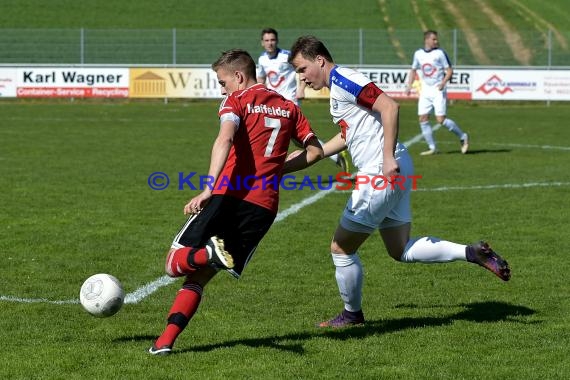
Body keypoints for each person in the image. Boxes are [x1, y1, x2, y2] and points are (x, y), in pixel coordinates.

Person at [288, 36, 510, 328]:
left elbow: (389, 107)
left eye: (303, 69)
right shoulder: (338, 89)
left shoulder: (342, 78)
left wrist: (387, 157)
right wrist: (307, 157)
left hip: (381, 171)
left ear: (319, 60)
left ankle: (352, 314)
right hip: (396, 166)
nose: (301, 77)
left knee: (341, 249)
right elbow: (348, 135)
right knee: (400, 248)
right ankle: (471, 253)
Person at [148, 49, 324, 355]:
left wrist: (207, 188)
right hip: (264, 206)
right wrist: (279, 167)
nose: (221, 88)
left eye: (222, 81)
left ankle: (207, 254)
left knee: (173, 265)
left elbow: (224, 139)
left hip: (230, 195)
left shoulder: (237, 100)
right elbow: (316, 151)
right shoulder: (288, 107)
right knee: (199, 277)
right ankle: (164, 342)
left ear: (239, 77)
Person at [257, 27, 351, 173]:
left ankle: (270, 170)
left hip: (289, 102)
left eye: (272, 40)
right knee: (299, 139)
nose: (270, 43)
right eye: (267, 40)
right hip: (273, 105)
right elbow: (262, 78)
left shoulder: (286, 57)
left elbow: (301, 69)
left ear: (277, 41)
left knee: (280, 135)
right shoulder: (262, 59)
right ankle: (335, 154)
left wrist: (301, 89)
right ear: (262, 42)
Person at [405, 30, 469, 156]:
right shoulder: (418, 54)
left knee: (441, 120)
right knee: (423, 118)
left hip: (438, 90)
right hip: (425, 91)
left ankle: (463, 136)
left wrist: (443, 83)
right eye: (434, 39)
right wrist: (409, 85)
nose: (436, 41)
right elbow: (413, 70)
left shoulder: (440, 53)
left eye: (436, 39)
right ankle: (433, 147)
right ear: (426, 40)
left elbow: (449, 70)